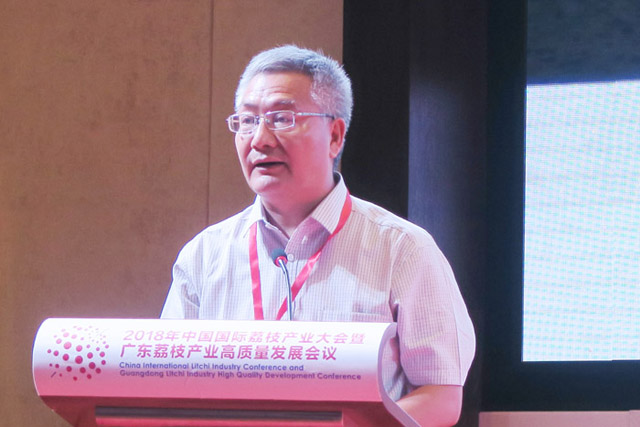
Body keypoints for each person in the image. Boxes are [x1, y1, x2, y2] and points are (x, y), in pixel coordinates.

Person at [161, 45, 475, 426]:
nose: (259, 139)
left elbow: (441, 397)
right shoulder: (203, 256)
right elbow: (168, 387)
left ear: (335, 137)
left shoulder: (403, 250)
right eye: (247, 120)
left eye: (281, 118)